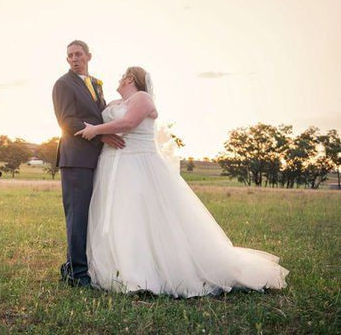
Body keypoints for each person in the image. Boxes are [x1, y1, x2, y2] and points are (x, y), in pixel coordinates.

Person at [75, 66, 289, 297]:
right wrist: (99, 131)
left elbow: (128, 123)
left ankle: (142, 274)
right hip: (110, 166)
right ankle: (116, 269)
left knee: (138, 216)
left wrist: (96, 130)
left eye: (122, 75)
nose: (118, 78)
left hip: (137, 165)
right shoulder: (111, 104)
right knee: (118, 217)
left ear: (130, 78)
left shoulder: (142, 98)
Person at [51, 40, 125, 287]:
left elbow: (98, 113)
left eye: (78, 54)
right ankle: (78, 274)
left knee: (90, 215)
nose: (74, 59)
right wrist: (101, 134)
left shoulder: (95, 83)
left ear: (88, 56)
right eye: (70, 55)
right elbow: (67, 121)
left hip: (96, 157)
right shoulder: (62, 84)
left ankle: (71, 266)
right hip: (76, 159)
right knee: (77, 216)